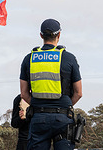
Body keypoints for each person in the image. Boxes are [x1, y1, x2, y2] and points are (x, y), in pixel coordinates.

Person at [20, 19, 82, 150]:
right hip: (63, 119)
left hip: (38, 119)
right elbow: (78, 93)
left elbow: (24, 93)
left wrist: (38, 104)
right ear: (59, 35)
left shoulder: (29, 58)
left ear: (41, 35)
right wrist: (64, 105)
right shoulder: (69, 58)